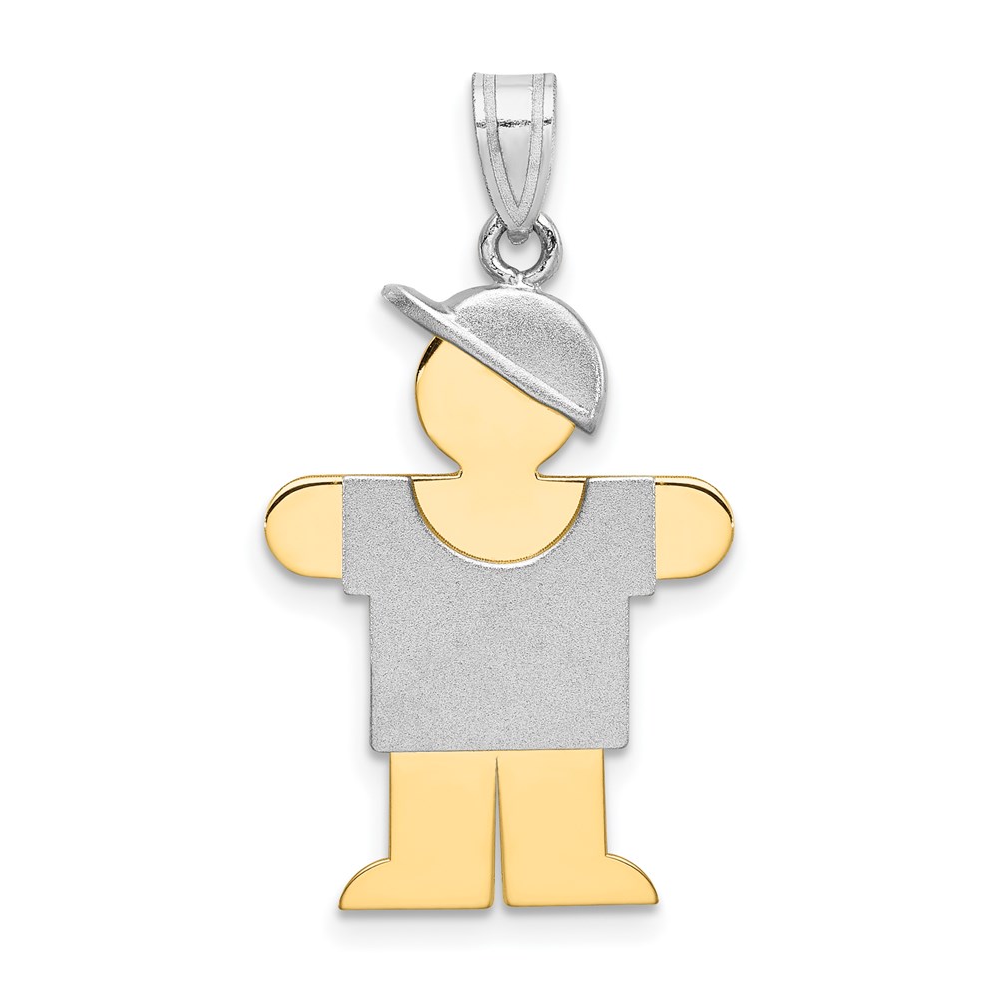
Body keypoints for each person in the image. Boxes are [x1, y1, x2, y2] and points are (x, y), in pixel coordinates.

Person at [265, 282, 733, 908]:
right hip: (441, 707)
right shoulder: (396, 515)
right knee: (442, 804)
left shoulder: (598, 518)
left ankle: (550, 868)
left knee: (554, 802)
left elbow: (297, 525)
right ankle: (443, 871)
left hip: (549, 709)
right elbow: (700, 526)